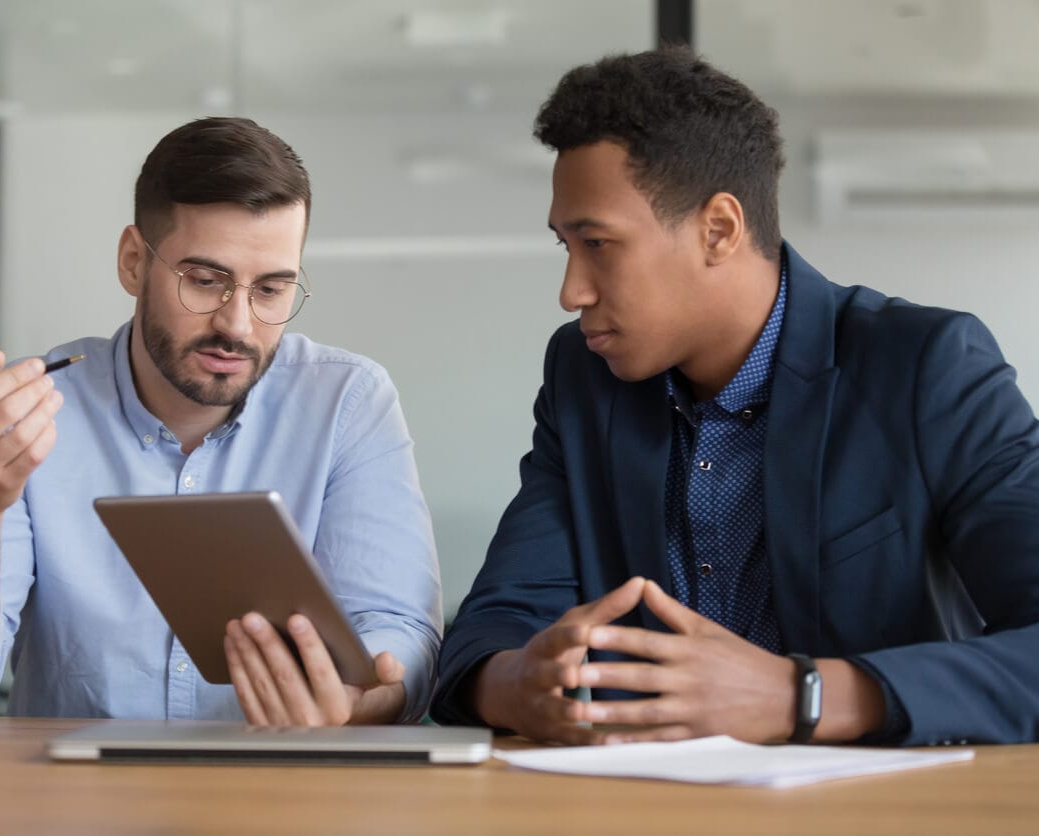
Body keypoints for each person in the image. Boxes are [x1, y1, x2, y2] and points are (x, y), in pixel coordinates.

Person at [430, 47, 1039, 746]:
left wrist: (798, 696)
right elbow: (495, 626)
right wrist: (518, 685)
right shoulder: (583, 377)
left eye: (598, 244)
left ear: (719, 229)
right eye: (565, 246)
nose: (572, 292)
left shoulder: (928, 368)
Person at [0, 117, 442, 724]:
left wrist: (360, 700)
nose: (238, 324)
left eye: (272, 290)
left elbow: (398, 631)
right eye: (205, 281)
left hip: (280, 801)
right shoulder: (30, 411)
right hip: (78, 808)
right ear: (132, 262)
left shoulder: (347, 401)